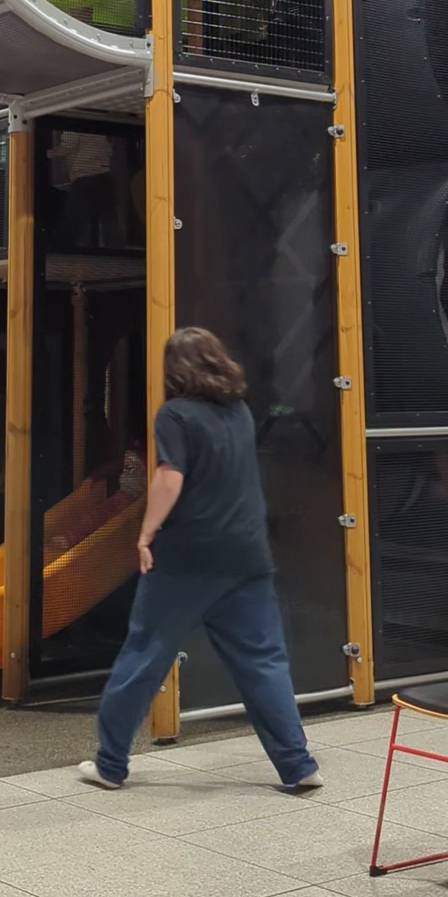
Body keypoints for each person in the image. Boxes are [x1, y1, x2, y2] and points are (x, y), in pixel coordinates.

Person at [78, 326, 321, 792]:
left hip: (187, 559)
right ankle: (298, 765)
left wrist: (146, 531)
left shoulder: (175, 415)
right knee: (263, 661)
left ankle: (110, 765)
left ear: (175, 371)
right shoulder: (240, 413)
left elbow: (171, 477)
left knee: (144, 655)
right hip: (248, 555)